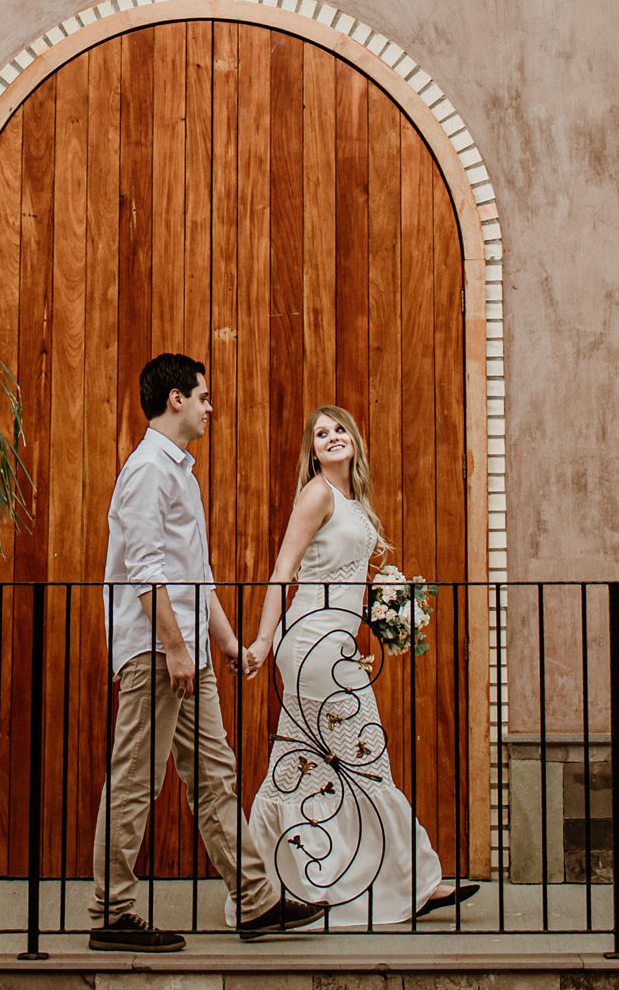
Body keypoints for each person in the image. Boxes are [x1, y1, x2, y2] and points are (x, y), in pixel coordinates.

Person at [89, 353, 329, 951]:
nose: (209, 406)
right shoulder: (149, 469)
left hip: (185, 653)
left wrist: (227, 644)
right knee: (136, 778)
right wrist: (173, 649)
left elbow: (196, 576)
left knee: (214, 775)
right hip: (156, 654)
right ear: (176, 399)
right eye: (203, 396)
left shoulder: (178, 472)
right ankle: (111, 913)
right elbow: (144, 572)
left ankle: (255, 901)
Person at [236, 405, 480, 926]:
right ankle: (415, 881)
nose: (331, 437)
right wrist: (260, 640)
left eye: (339, 429)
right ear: (313, 451)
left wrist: (388, 609)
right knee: (365, 758)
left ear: (354, 440)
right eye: (321, 434)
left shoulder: (352, 500)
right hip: (313, 644)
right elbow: (284, 570)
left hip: (333, 641)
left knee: (300, 769)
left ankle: (263, 889)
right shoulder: (318, 492)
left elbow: (342, 576)